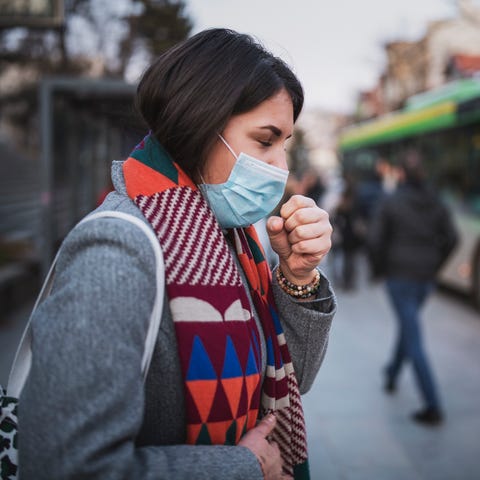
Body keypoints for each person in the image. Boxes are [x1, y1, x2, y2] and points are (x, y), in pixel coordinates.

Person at [18, 29, 336, 479]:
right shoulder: (118, 252)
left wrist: (298, 275)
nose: (281, 168)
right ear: (200, 125)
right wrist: (242, 467)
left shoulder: (233, 237)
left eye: (284, 144)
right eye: (265, 141)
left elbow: (286, 379)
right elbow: (67, 466)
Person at [367, 150, 457, 426]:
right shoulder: (437, 201)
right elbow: (451, 239)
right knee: (410, 325)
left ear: (402, 173)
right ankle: (392, 373)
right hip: (424, 280)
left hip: (400, 277)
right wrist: (434, 265)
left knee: (412, 335)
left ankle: (432, 405)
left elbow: (375, 240)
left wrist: (379, 269)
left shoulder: (391, 201)